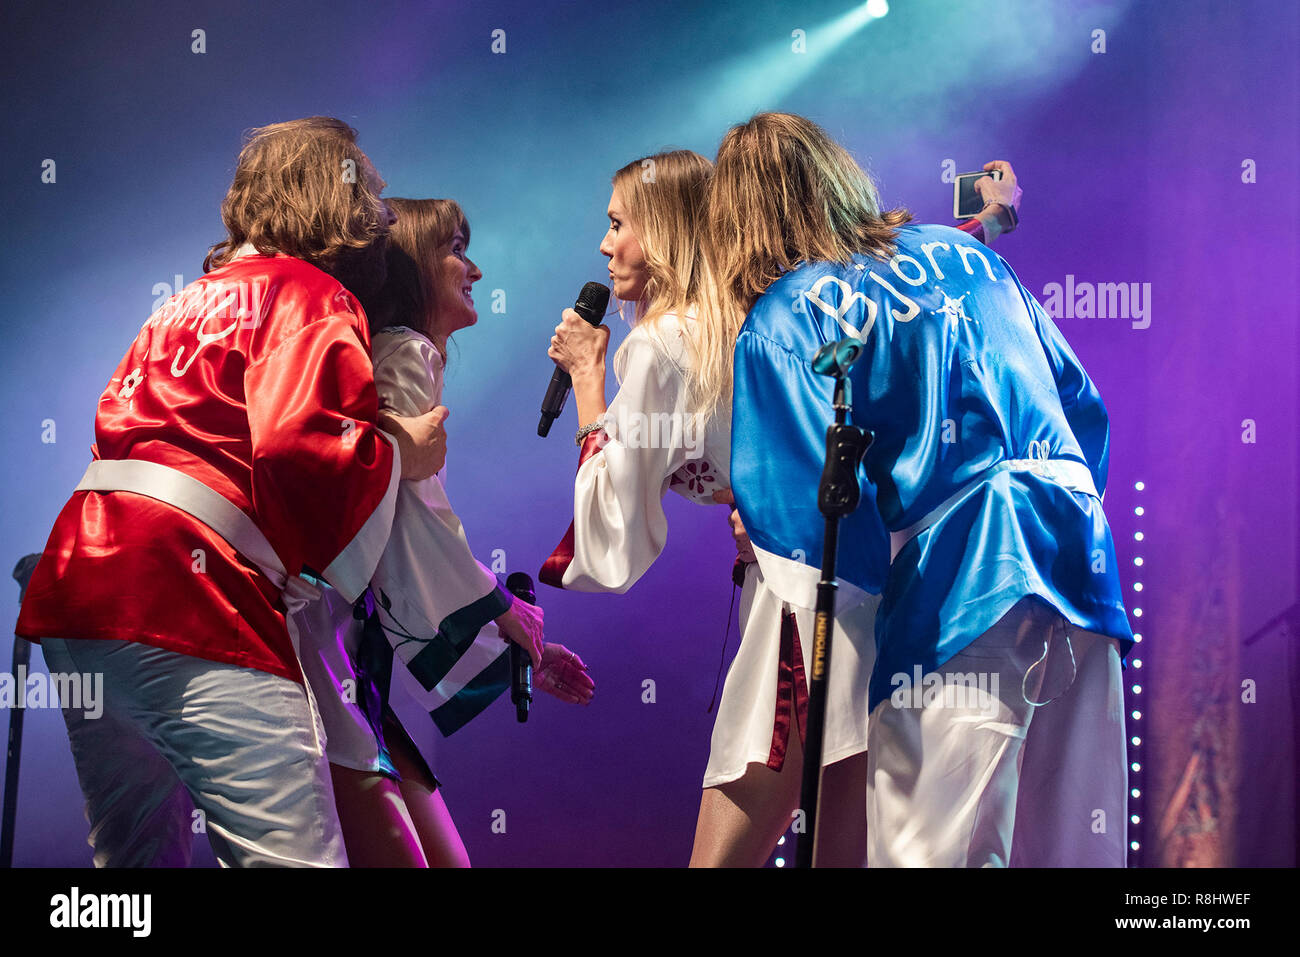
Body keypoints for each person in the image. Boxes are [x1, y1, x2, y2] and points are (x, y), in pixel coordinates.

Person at [542, 146, 1022, 866]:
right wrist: (986, 219)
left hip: (801, 611)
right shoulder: (776, 305)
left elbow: (612, 528)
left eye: (618, 224)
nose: (605, 245)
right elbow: (898, 280)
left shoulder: (663, 344)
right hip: (874, 597)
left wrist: (585, 379)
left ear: (667, 230)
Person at [15, 117, 451, 867]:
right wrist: (398, 449)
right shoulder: (309, 292)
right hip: (187, 596)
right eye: (372, 193)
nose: (383, 214)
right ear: (334, 198)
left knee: (131, 869)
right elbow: (295, 447)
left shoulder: (183, 302)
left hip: (80, 590)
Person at [713, 112, 1132, 867]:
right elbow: (1081, 404)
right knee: (1072, 848)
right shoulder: (964, 254)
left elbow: (816, 533)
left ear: (736, 225)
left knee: (929, 852)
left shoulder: (788, 311)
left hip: (963, 585)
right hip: (1078, 556)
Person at [294, 197, 595, 867]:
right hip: (323, 643)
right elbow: (409, 519)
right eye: (457, 249)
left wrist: (513, 639)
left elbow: (406, 540)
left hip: (344, 646)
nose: (477, 268)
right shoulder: (406, 353)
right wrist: (500, 609)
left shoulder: (402, 354)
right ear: (415, 271)